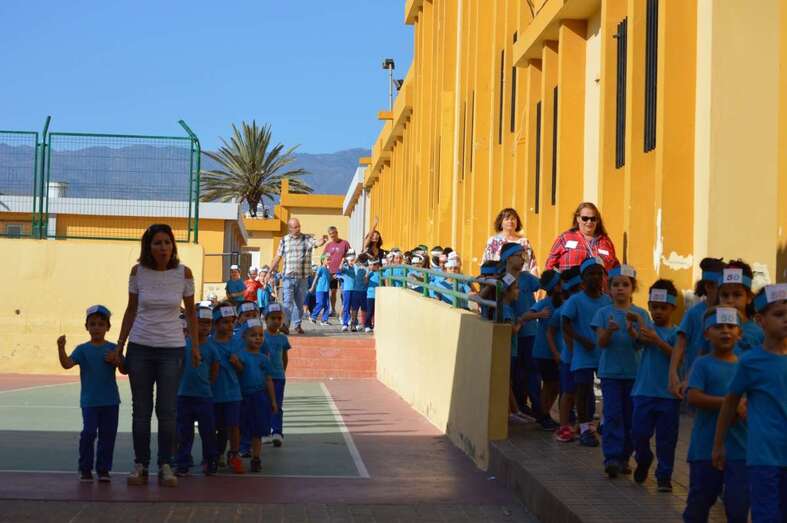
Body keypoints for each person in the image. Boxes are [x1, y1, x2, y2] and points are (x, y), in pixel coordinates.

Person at [116, 223, 199, 488]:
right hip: (139, 347)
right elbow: (130, 310)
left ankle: (166, 465)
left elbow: (192, 313)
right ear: (148, 247)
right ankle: (140, 465)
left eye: (167, 242)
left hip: (172, 350)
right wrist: (119, 347)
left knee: (168, 411)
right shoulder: (137, 272)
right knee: (140, 411)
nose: (162, 248)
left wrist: (194, 346)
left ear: (173, 245)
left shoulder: (183, 273)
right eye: (157, 243)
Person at [714, 284, 787, 523]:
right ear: (760, 320)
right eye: (778, 314)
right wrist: (719, 444)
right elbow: (729, 403)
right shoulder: (750, 362)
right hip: (763, 457)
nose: (786, 320)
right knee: (766, 516)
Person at [683, 307, 749, 522]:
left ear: (740, 333)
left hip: (740, 450)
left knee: (738, 505)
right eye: (718, 327)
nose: (725, 331)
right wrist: (729, 404)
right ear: (706, 334)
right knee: (699, 502)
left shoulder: (746, 366)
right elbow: (693, 397)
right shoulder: (702, 364)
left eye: (731, 326)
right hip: (705, 449)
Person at [591, 264, 648, 478]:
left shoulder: (641, 314)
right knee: (613, 415)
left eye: (625, 285)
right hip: (610, 374)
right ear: (609, 288)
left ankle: (625, 458)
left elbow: (643, 343)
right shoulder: (603, 313)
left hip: (635, 375)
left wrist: (635, 333)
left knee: (631, 418)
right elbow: (601, 343)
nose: (620, 289)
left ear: (632, 288)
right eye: (616, 285)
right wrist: (609, 331)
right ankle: (612, 458)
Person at [57, 305, 124, 482]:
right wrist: (61, 348)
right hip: (90, 402)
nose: (96, 328)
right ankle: (85, 468)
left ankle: (103, 469)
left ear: (108, 327)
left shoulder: (113, 348)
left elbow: (125, 369)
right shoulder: (82, 349)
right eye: (92, 324)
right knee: (88, 433)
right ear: (86, 326)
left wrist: (116, 360)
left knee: (107, 436)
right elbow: (67, 364)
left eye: (101, 324)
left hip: (110, 401)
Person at [631, 280, 681, 491]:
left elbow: (678, 357)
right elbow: (637, 344)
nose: (658, 312)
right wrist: (634, 331)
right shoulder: (647, 328)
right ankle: (643, 458)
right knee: (639, 434)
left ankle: (664, 476)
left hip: (669, 395)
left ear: (673, 308)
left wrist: (658, 341)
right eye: (654, 307)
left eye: (663, 308)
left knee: (666, 440)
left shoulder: (678, 334)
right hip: (643, 391)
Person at [561, 257, 612, 447]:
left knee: (608, 388)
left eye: (599, 273)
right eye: (591, 273)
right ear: (583, 277)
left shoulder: (607, 300)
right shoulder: (576, 300)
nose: (596, 277)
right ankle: (584, 429)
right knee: (582, 389)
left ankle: (604, 423)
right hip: (583, 353)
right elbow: (565, 323)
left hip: (603, 352)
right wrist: (581, 340)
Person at [668, 257, 725, 399]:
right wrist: (673, 372)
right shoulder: (694, 313)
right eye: (718, 287)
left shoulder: (728, 314)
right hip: (696, 381)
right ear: (708, 286)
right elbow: (681, 341)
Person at [175, 305, 219, 477]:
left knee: (208, 431)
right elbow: (177, 368)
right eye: (200, 323)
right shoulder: (183, 346)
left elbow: (215, 369)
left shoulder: (211, 348)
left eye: (208, 324)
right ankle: (183, 462)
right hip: (183, 396)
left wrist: (208, 383)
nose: (204, 327)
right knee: (184, 432)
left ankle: (210, 461)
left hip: (204, 397)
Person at [263, 218, 329, 334]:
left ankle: (297, 324)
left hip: (302, 278)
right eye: (296, 227)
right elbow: (277, 257)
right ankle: (285, 325)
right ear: (290, 228)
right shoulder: (284, 240)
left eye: (299, 226)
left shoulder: (306, 239)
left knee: (300, 303)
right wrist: (269, 272)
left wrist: (323, 240)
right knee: (287, 302)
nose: (298, 229)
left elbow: (316, 243)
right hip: (288, 277)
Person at [237, 318, 278, 473]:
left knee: (257, 431)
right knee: (240, 427)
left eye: (260, 335)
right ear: (244, 337)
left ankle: (256, 458)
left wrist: (273, 400)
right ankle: (237, 454)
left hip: (259, 397)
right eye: (253, 335)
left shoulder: (263, 359)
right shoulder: (240, 355)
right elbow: (238, 372)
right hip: (242, 397)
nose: (258, 338)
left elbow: (268, 380)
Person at [210, 302, 245, 474]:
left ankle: (234, 454)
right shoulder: (209, 343)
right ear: (215, 324)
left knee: (233, 425)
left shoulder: (237, 343)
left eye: (232, 321)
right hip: (213, 393)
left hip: (232, 393)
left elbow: (242, 369)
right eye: (225, 322)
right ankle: (214, 455)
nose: (230, 325)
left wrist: (237, 363)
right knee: (214, 426)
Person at [528, 270, 563, 431]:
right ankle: (543, 415)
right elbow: (525, 315)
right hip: (544, 351)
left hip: (558, 351)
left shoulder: (563, 302)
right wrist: (539, 314)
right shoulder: (545, 302)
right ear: (555, 287)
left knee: (555, 385)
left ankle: (545, 413)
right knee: (549, 384)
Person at [545, 202, 619, 272]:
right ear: (578, 219)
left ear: (597, 221)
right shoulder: (564, 238)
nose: (589, 222)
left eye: (593, 219)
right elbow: (549, 266)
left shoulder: (606, 241)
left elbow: (615, 267)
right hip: (571, 284)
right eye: (585, 218)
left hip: (599, 284)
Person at [555, 267, 582, 442]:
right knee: (568, 392)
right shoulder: (571, 304)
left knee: (579, 392)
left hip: (580, 357)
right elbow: (566, 330)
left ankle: (580, 424)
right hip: (571, 357)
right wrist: (573, 351)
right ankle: (564, 426)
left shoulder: (581, 301)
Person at [717, 260, 764, 353]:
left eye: (737, 295)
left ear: (749, 298)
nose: (730, 300)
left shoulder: (759, 334)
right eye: (725, 295)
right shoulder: (713, 329)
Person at [263, 303, 291, 447]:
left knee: (277, 405)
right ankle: (265, 432)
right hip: (263, 378)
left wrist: (282, 371)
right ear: (265, 319)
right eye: (272, 318)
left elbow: (284, 357)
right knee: (265, 405)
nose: (276, 321)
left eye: (279, 318)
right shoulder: (261, 336)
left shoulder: (282, 338)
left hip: (278, 377)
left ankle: (277, 432)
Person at [482, 208, 538, 276]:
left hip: (521, 282)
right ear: (501, 222)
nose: (510, 221)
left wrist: (535, 283)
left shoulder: (524, 242)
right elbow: (486, 263)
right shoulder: (493, 241)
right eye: (507, 219)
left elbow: (532, 264)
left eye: (513, 219)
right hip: (498, 282)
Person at [322, 226, 351, 316]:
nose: (332, 236)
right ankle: (333, 310)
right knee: (333, 291)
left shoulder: (345, 243)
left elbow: (350, 255)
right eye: (330, 234)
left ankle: (344, 310)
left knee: (343, 291)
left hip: (343, 271)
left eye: (333, 233)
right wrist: (324, 264)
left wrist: (345, 263)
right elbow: (323, 257)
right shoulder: (328, 245)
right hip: (331, 272)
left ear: (337, 233)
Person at [309, 254, 332, 325]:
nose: (329, 261)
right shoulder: (320, 268)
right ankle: (313, 316)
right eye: (327, 260)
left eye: (329, 259)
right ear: (323, 260)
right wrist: (312, 287)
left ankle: (324, 320)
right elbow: (316, 278)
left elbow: (328, 279)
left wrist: (334, 277)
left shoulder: (328, 270)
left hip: (326, 290)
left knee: (327, 305)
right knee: (320, 303)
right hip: (320, 290)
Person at [364, 258, 381, 333]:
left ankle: (375, 325)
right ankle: (367, 325)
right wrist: (367, 275)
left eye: (374, 264)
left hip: (378, 295)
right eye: (371, 265)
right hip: (370, 295)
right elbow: (365, 282)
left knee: (377, 312)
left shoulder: (381, 273)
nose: (373, 266)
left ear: (378, 265)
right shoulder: (369, 273)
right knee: (370, 311)